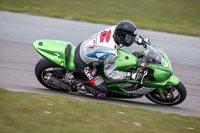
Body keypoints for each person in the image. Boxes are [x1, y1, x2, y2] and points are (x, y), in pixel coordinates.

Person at [69, 20, 150, 98]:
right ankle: (76, 83)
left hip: (86, 46)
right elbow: (110, 74)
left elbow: (127, 34)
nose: (130, 39)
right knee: (102, 91)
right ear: (120, 36)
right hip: (83, 62)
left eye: (132, 36)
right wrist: (130, 76)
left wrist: (140, 40)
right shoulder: (110, 51)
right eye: (129, 37)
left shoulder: (115, 29)